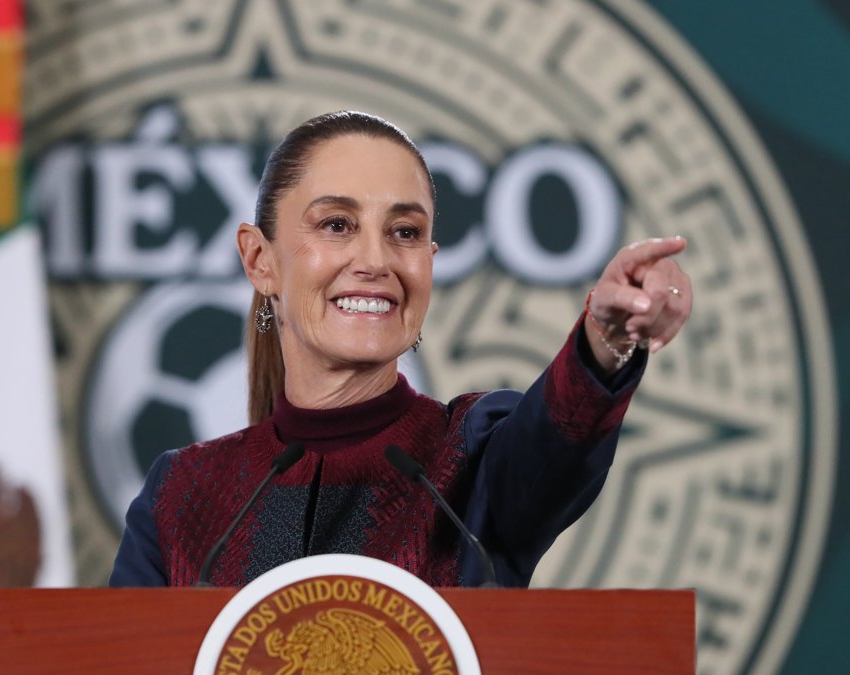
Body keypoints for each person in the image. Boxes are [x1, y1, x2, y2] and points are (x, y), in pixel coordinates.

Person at [109, 111, 691, 588]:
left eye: (405, 232)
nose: (375, 260)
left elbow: (556, 439)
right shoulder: (182, 495)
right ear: (260, 260)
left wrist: (607, 336)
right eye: (336, 224)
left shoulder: (473, 456)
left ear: (429, 263)